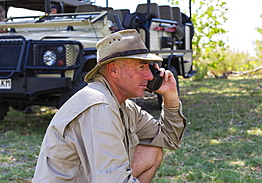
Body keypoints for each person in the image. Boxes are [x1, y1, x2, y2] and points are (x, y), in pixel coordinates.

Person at [33, 29, 186, 182]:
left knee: (151, 152)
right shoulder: (99, 106)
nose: (150, 76)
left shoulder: (124, 106)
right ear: (113, 70)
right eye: (141, 66)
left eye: (148, 67)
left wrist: (170, 95)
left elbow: (168, 139)